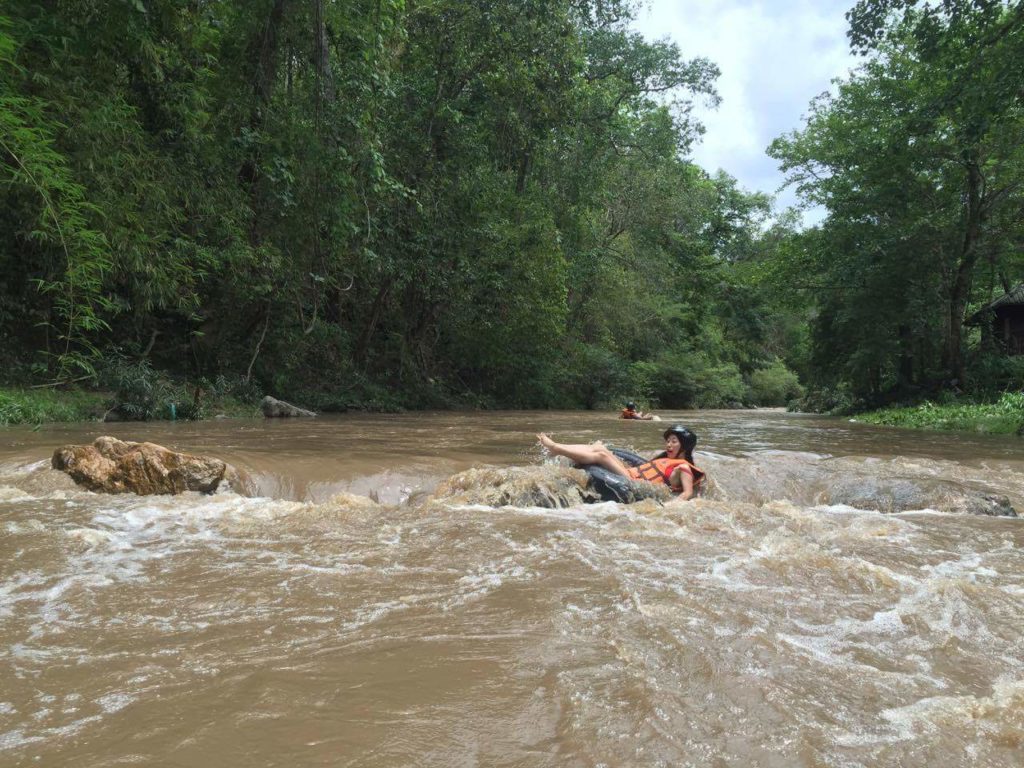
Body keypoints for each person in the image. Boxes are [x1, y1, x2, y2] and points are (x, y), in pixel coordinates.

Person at [537, 425, 705, 501]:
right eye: (668, 441)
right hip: (632, 473)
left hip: (634, 482)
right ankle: (557, 448)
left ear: (684, 445)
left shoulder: (683, 467)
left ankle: (556, 448)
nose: (668, 445)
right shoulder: (668, 459)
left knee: (602, 455)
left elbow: (687, 493)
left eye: (674, 441)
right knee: (599, 446)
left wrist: (669, 509)